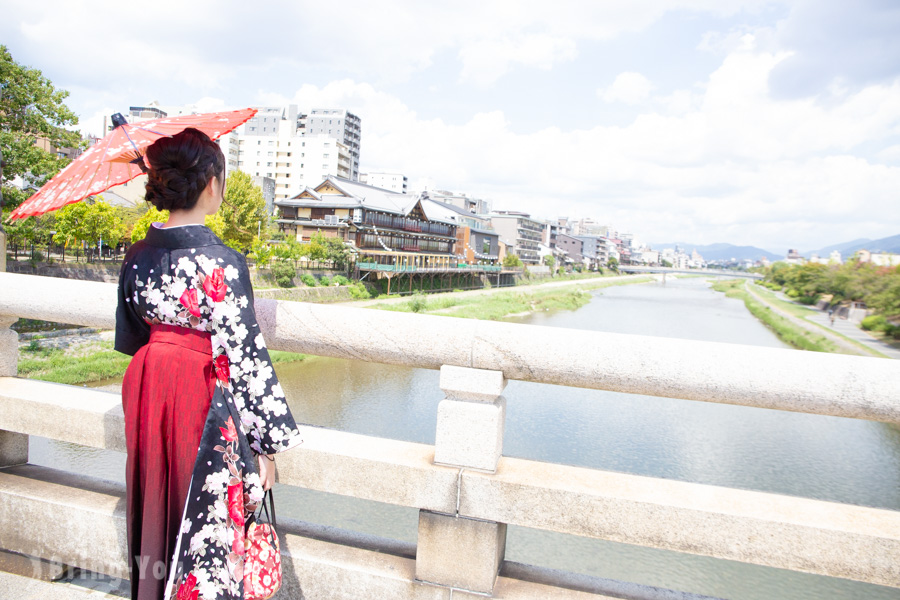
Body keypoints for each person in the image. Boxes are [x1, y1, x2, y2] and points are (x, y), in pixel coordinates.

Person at [115, 128, 302, 600]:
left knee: (160, 498)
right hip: (198, 391)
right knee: (206, 517)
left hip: (150, 383)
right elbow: (244, 355)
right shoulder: (221, 261)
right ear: (212, 184)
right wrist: (266, 446)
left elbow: (132, 334)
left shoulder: (137, 256)